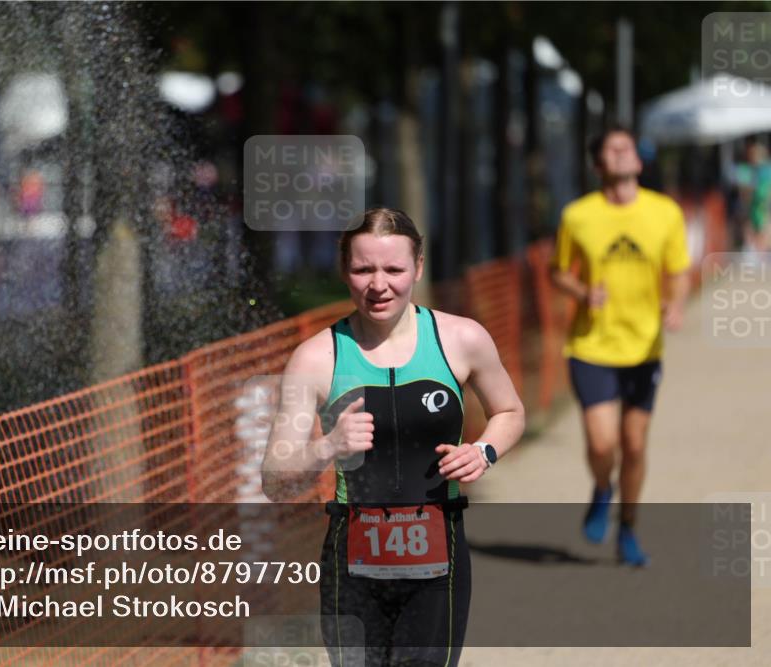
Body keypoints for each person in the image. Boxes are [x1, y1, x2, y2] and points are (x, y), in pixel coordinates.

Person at [261, 208, 525, 667]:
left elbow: (510, 411)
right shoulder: (316, 359)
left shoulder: (462, 339)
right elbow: (274, 480)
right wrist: (328, 446)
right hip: (352, 568)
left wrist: (484, 450)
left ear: (418, 267)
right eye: (363, 269)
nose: (378, 284)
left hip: (438, 564)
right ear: (345, 270)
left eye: (394, 269)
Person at [550, 126, 690, 567]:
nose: (622, 151)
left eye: (627, 147)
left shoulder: (665, 212)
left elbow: (680, 270)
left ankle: (627, 527)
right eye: (612, 147)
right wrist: (580, 292)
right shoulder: (578, 215)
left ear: (639, 162)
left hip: (645, 347)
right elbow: (558, 271)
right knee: (601, 443)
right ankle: (602, 488)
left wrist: (676, 305)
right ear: (598, 164)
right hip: (592, 344)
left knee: (633, 444)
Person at [734, 138, 771, 254]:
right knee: (750, 227)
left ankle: (762, 251)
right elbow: (744, 192)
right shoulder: (747, 170)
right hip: (752, 206)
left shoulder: (766, 170)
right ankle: (753, 250)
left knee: (764, 228)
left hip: (763, 206)